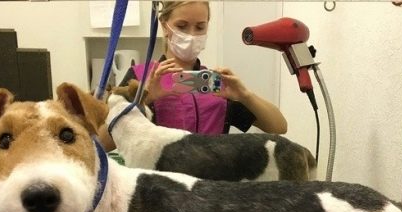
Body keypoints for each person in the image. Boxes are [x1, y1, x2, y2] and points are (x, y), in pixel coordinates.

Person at [116, 1, 287, 136]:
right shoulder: (139, 77)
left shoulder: (216, 83)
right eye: (181, 26)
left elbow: (279, 126)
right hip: (157, 172)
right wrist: (144, 99)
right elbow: (105, 141)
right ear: (164, 26)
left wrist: (245, 95)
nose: (191, 35)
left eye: (200, 27)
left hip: (213, 171)